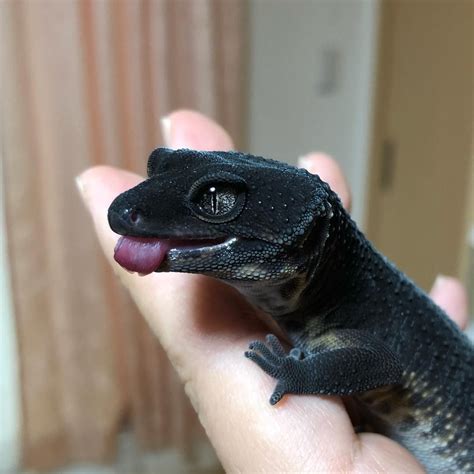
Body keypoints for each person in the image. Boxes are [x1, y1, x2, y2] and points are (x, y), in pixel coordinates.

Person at [77, 110, 469, 472]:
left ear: (305, 243)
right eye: (159, 169)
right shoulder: (333, 294)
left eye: (217, 201)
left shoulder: (351, 315)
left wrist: (299, 373)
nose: (133, 210)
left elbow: (380, 364)